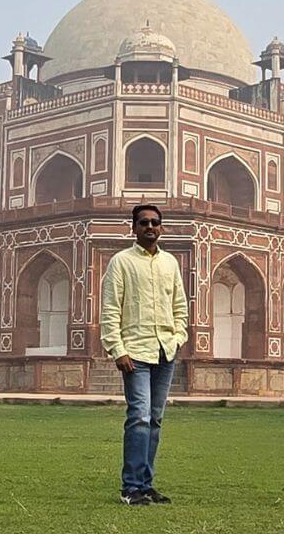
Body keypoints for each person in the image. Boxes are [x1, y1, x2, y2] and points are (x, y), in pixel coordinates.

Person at [100, 204, 188, 506]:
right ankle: (130, 487)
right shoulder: (120, 262)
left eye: (155, 222)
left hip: (165, 350)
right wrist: (117, 348)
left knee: (156, 419)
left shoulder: (170, 263)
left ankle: (146, 484)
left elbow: (180, 305)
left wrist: (178, 338)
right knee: (139, 416)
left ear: (161, 227)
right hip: (135, 352)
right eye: (144, 222)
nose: (150, 227)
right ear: (133, 228)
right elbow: (111, 308)